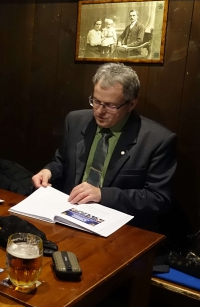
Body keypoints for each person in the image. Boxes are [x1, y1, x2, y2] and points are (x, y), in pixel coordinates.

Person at [31, 63, 176, 230]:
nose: (99, 111)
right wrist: (48, 171)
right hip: (68, 214)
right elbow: (62, 161)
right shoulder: (76, 121)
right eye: (96, 101)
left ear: (131, 104)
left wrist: (102, 194)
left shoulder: (157, 140)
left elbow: (158, 199)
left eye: (110, 105)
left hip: (120, 227)